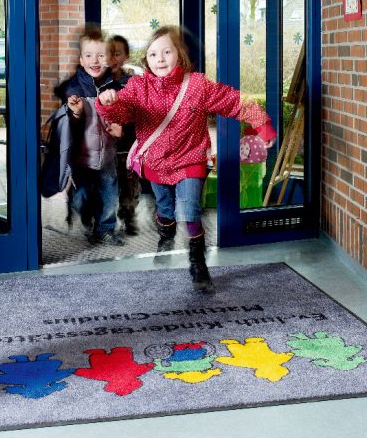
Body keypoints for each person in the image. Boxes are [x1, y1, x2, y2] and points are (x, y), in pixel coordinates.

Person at [97, 25, 275, 293]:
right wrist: (107, 102)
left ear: (179, 55)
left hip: (190, 159)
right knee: (166, 209)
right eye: (153, 54)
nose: (160, 59)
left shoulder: (197, 86)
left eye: (166, 52)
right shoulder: (138, 87)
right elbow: (121, 112)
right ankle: (166, 235)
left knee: (189, 209)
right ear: (146, 60)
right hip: (156, 162)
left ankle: (197, 261)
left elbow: (232, 100)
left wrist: (262, 123)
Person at [53, 27, 124, 247]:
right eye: (89, 55)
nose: (95, 60)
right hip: (81, 156)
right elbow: (67, 127)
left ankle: (105, 229)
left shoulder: (116, 87)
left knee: (110, 192)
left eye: (101, 55)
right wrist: (75, 112)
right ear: (81, 60)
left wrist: (119, 124)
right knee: (81, 196)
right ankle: (84, 222)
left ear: (110, 59)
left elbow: (122, 118)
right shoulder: (73, 88)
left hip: (107, 154)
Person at [106, 34, 140, 236]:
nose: (112, 58)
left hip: (128, 144)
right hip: (106, 146)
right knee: (107, 184)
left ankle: (128, 216)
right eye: (108, 53)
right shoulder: (98, 82)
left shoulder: (133, 83)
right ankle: (103, 221)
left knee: (129, 184)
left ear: (126, 57)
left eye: (117, 53)